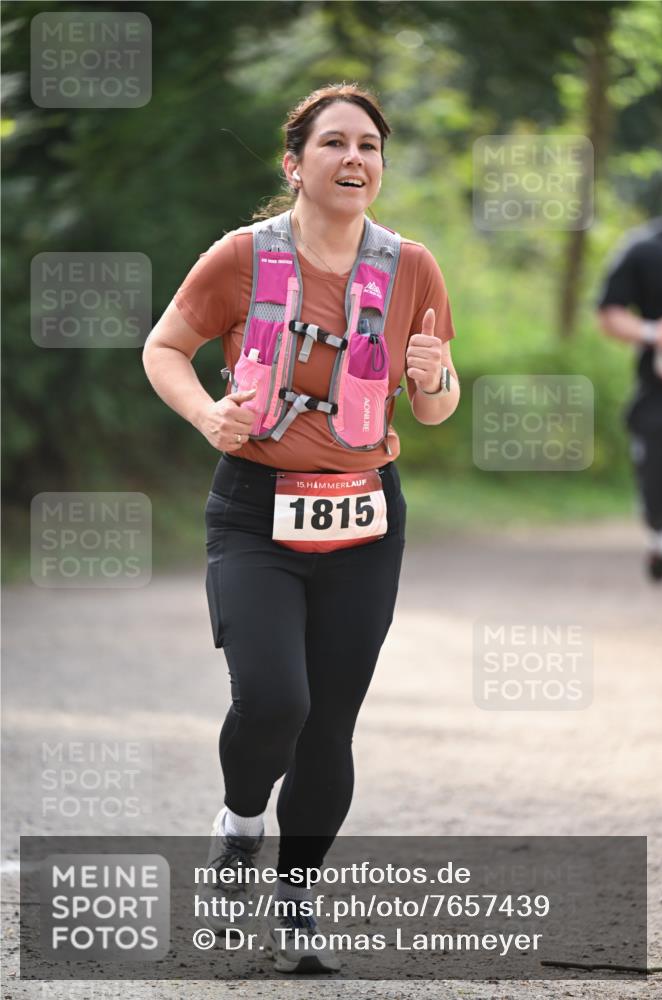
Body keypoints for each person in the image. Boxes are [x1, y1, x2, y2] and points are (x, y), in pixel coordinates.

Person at [142, 83, 459, 973]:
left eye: (369, 146)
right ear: (294, 163)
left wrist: (433, 378)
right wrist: (210, 416)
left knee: (329, 725)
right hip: (255, 512)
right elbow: (163, 348)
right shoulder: (243, 257)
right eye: (334, 144)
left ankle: (296, 902)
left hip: (366, 514)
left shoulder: (411, 268)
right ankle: (241, 824)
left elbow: (432, 410)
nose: (355, 159)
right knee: (276, 700)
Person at [596, 214, 662, 583]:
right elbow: (609, 312)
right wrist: (654, 331)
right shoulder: (645, 248)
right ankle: (660, 537)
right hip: (658, 397)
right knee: (657, 476)